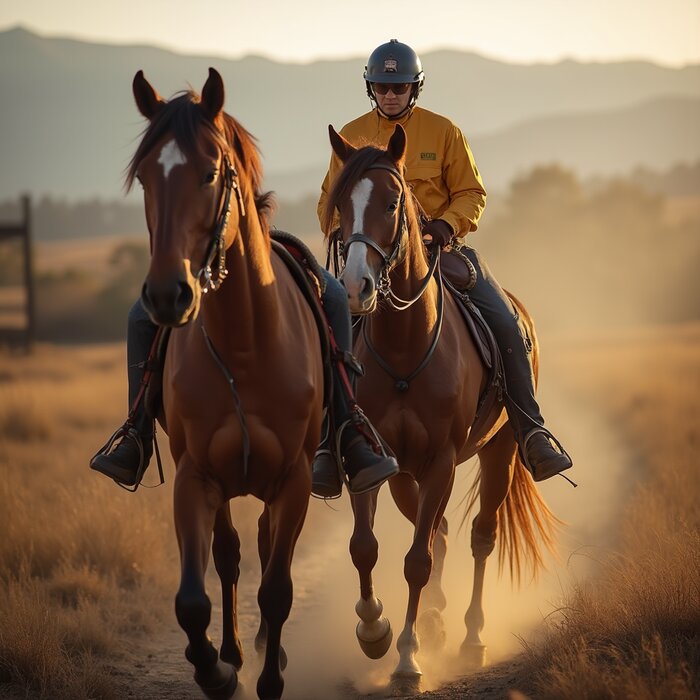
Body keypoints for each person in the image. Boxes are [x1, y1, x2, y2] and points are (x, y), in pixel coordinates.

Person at [315, 39, 573, 485]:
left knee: (505, 319)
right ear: (370, 88)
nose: (390, 94)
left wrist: (446, 226)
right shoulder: (350, 137)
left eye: (399, 87)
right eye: (382, 86)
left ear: (414, 88)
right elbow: (328, 201)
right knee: (323, 326)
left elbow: (473, 192)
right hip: (371, 258)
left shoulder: (444, 131)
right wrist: (345, 225)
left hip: (441, 250)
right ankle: (325, 443)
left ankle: (531, 429)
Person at [90, 264, 399, 495]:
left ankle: (345, 433)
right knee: (139, 317)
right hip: (202, 247)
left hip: (259, 234)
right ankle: (137, 432)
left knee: (334, 296)